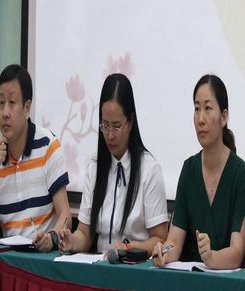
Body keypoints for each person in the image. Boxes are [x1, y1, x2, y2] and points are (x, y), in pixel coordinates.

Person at [59, 73, 168, 255]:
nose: (110, 135)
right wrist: (72, 241)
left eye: (117, 126)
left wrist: (128, 247)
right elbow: (84, 234)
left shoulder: (149, 170)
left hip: (132, 268)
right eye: (105, 125)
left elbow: (160, 239)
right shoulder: (95, 167)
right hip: (99, 265)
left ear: (130, 122)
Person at [153, 74, 245, 269]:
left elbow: (237, 252)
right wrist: (163, 252)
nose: (200, 119)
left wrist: (211, 257)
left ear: (224, 117)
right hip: (193, 279)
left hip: (228, 283)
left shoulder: (240, 173)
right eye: (197, 109)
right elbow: (174, 241)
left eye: (208, 108)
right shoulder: (189, 169)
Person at [0, 64, 70, 252]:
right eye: (1, 103)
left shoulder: (48, 146)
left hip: (42, 257)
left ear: (27, 108)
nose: (5, 112)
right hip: (9, 259)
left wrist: (52, 237)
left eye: (12, 103)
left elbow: (65, 215)